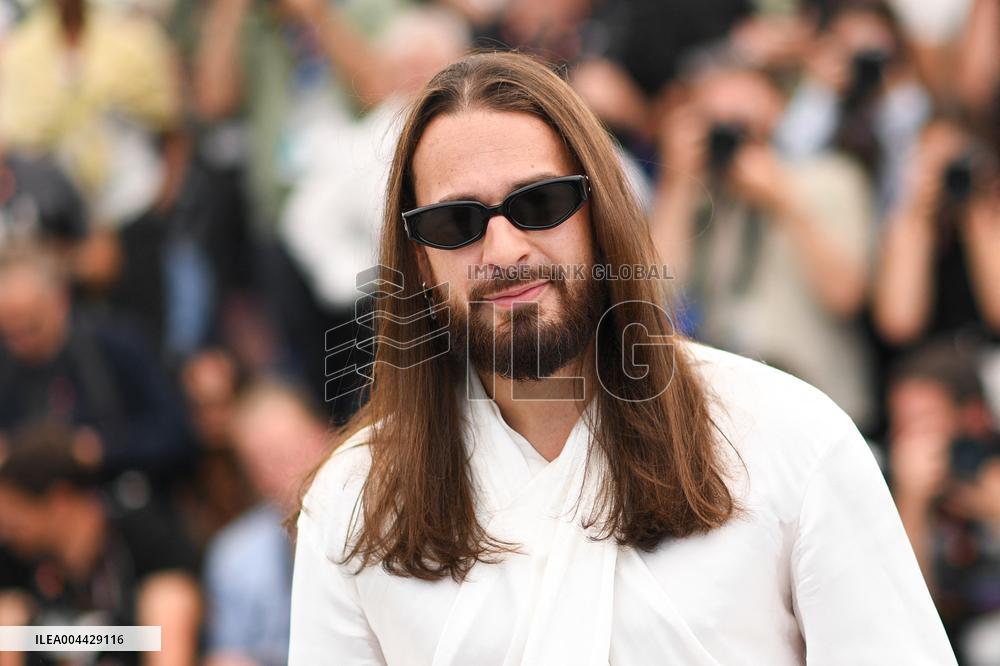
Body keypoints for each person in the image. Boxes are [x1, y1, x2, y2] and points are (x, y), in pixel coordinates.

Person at [287, 51, 955, 664]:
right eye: (455, 223)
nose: (503, 250)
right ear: (420, 261)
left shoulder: (793, 443)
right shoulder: (354, 505)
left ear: (600, 215)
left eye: (539, 204)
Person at [652, 52, 876, 430]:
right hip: (730, 413)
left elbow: (846, 295)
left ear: (779, 111)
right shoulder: (700, 197)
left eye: (744, 125)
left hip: (824, 408)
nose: (733, 140)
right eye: (717, 126)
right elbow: (654, 291)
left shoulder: (830, 180)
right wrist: (677, 184)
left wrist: (785, 202)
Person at [0, 425, 201, 666]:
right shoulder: (18, 562)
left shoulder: (142, 534)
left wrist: (36, 638)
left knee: (166, 600)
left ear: (59, 501)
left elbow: (164, 638)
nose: (7, 533)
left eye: (15, 520)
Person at [887, 339, 1000, 663]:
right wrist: (912, 501)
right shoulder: (888, 483)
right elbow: (909, 609)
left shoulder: (989, 464)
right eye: (901, 422)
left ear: (973, 417)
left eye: (924, 420)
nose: (910, 439)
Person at [203, 380, 329, 666]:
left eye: (294, 449)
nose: (291, 471)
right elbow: (227, 653)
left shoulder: (375, 528)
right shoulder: (233, 554)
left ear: (325, 435)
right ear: (252, 479)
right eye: (268, 461)